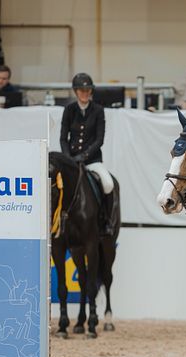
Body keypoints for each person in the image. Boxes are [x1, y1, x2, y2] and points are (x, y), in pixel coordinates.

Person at [60, 73, 115, 236]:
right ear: (76, 91)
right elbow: (63, 138)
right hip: (71, 161)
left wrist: (83, 157)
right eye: (81, 90)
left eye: (88, 90)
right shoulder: (69, 110)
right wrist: (68, 158)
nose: (85, 93)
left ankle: (106, 221)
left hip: (92, 160)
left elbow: (99, 139)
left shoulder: (98, 110)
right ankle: (57, 221)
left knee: (108, 184)